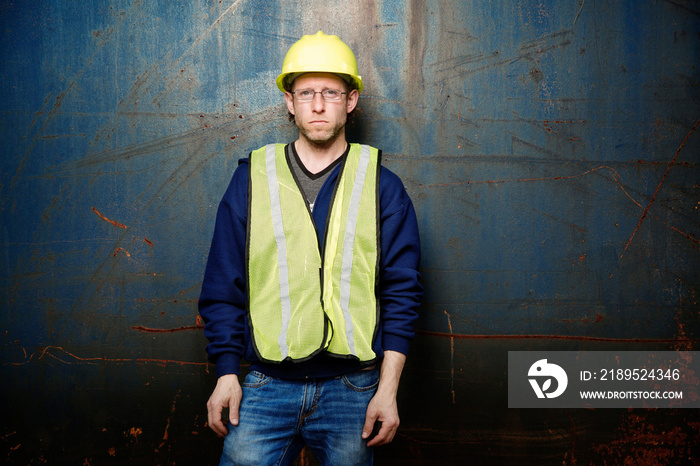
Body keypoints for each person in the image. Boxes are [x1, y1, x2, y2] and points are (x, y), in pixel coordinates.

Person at [198, 31, 423, 466]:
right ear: (289, 101)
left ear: (351, 100)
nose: (318, 105)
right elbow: (222, 285)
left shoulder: (381, 185)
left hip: (353, 390)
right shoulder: (251, 180)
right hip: (265, 386)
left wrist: (388, 391)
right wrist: (227, 373)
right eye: (306, 93)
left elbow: (402, 293)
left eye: (330, 93)